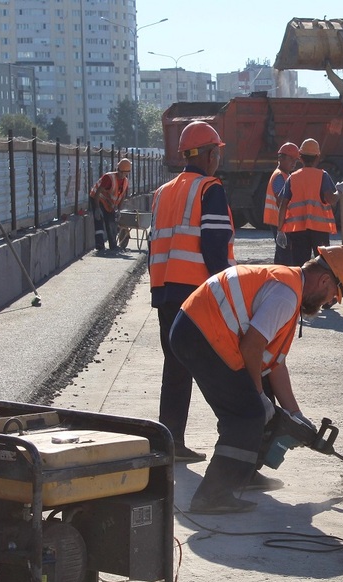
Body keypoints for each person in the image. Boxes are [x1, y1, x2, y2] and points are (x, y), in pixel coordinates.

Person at [171, 245, 343, 514]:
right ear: (324, 280)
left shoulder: (289, 288)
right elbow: (252, 346)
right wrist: (258, 398)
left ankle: (243, 473)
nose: (329, 301)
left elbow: (275, 364)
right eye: (333, 294)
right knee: (247, 414)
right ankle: (212, 495)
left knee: (261, 407)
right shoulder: (286, 295)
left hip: (199, 329)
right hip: (201, 333)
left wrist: (295, 415)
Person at [149, 122, 235, 463]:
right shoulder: (209, 189)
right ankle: (237, 443)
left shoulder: (163, 191)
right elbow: (214, 246)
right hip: (198, 292)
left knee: (176, 368)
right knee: (219, 366)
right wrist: (228, 294)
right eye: (219, 152)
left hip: (165, 291)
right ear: (211, 154)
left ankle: (170, 443)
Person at [275, 138, 343, 267]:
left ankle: (301, 286)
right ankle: (321, 285)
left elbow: (283, 204)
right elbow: (331, 199)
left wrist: (280, 230)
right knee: (324, 264)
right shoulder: (322, 176)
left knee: (300, 266)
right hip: (320, 230)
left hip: (298, 230)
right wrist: (339, 192)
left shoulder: (292, 178)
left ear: (300, 157)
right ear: (317, 157)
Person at [264, 142, 300, 263]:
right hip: (279, 222)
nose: (294, 163)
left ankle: (277, 278)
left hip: (279, 221)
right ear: (281, 158)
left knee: (281, 254)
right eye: (291, 159)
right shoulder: (280, 176)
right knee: (285, 256)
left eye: (296, 160)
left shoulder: (284, 175)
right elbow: (281, 202)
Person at [90, 158, 131, 252]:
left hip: (109, 203)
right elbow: (97, 192)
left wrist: (118, 210)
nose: (122, 175)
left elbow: (122, 196)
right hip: (97, 199)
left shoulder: (125, 182)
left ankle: (113, 245)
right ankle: (100, 245)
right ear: (118, 170)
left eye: (124, 173)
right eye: (121, 172)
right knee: (99, 220)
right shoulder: (109, 178)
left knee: (111, 221)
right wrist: (97, 208)